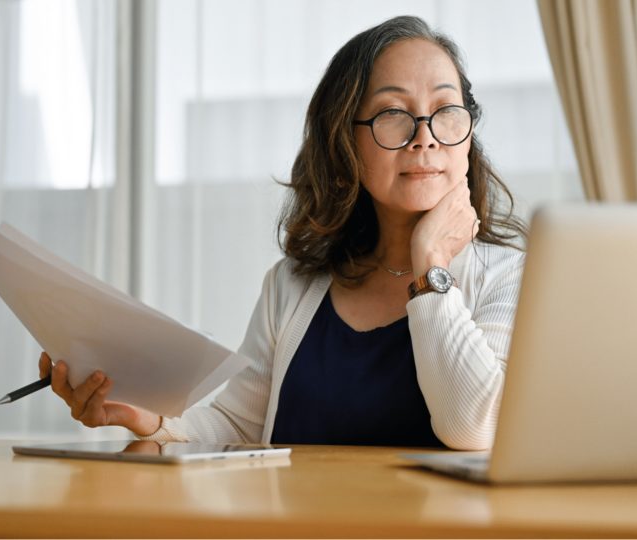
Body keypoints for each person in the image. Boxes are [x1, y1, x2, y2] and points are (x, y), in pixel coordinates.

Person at [38, 15, 527, 450]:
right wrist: (151, 421)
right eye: (392, 114)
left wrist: (431, 266)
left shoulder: (510, 276)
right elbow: (236, 424)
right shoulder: (291, 285)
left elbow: (473, 429)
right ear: (345, 143)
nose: (425, 135)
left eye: (445, 110)